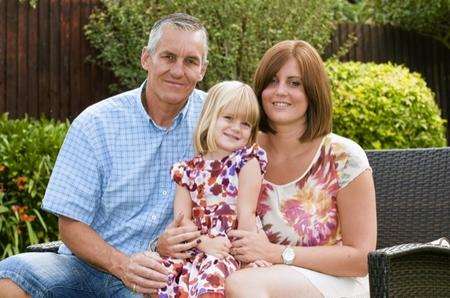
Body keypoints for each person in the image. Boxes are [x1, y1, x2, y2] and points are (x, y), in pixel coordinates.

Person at [0, 13, 209, 297]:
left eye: (190, 61)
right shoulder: (96, 123)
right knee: (9, 281)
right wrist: (122, 266)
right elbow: (70, 225)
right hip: (86, 265)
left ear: (203, 70)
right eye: (168, 57)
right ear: (146, 59)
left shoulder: (215, 119)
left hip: (162, 271)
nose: (177, 70)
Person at [225, 40, 377, 297]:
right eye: (272, 81)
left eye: (294, 83)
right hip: (261, 273)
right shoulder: (242, 153)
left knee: (243, 284)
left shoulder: (343, 157)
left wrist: (275, 253)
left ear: (312, 92)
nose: (280, 91)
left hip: (337, 281)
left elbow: (361, 258)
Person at [158, 81, 269, 297]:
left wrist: (247, 262)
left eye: (246, 124)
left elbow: (247, 214)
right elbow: (182, 220)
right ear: (210, 117)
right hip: (200, 247)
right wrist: (204, 243)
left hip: (232, 248)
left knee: (210, 283)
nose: (236, 128)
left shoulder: (246, 161)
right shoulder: (187, 171)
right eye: (228, 118)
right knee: (167, 280)